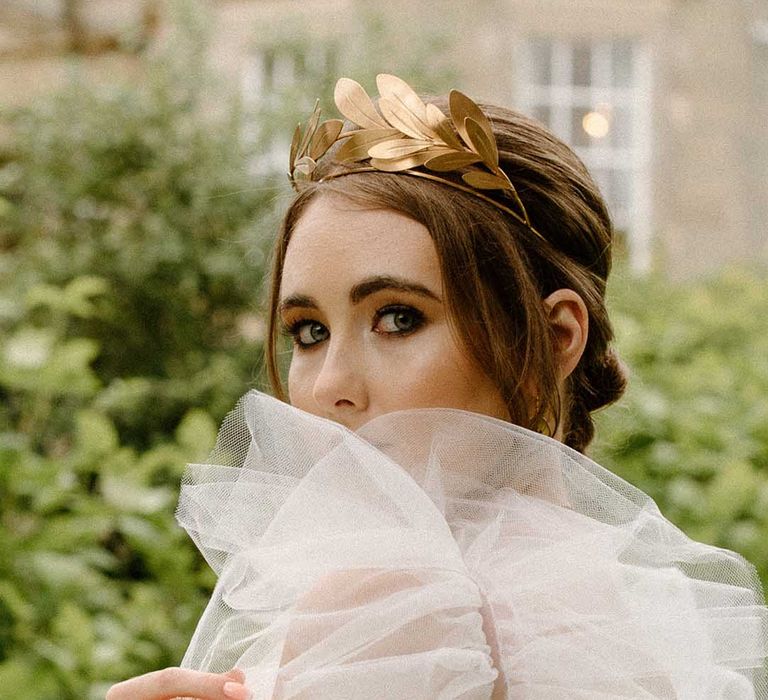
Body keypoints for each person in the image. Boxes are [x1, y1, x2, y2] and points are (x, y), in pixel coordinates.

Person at [107, 75, 768, 699]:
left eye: (398, 318)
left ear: (555, 338)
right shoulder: (652, 614)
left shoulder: (391, 604)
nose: (330, 386)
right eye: (308, 331)